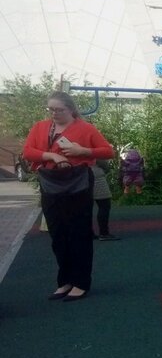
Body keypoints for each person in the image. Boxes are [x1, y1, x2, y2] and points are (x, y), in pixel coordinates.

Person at [22, 91, 115, 302]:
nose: (54, 113)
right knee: (57, 233)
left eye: (59, 110)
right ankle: (64, 281)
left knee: (79, 232)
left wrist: (83, 151)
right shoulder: (40, 127)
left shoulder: (86, 128)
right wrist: (52, 156)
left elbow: (108, 152)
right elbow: (27, 152)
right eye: (51, 109)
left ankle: (81, 282)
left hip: (78, 183)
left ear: (71, 109)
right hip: (50, 182)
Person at [92, 159, 118, 240]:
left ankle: (88, 232)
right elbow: (102, 161)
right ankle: (104, 233)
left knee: (85, 208)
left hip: (80, 175)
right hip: (96, 175)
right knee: (104, 205)